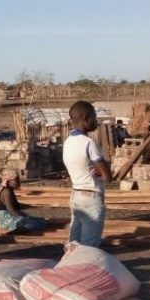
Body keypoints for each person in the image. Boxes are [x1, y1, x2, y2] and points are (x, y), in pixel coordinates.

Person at [63, 101, 111, 247]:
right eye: (94, 117)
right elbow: (108, 178)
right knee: (89, 247)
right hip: (91, 197)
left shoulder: (68, 142)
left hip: (76, 195)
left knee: (74, 243)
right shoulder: (89, 143)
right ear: (85, 118)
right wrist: (105, 168)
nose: (96, 121)